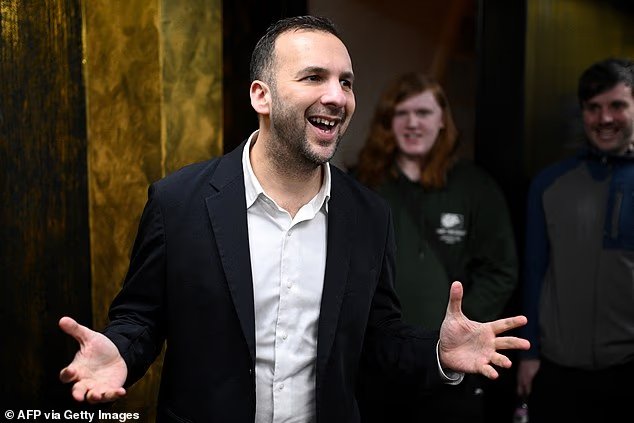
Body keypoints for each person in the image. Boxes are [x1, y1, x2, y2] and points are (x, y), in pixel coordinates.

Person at [58, 16, 529, 422]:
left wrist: (436, 353)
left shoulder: (368, 215)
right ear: (261, 96)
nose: (337, 97)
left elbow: (379, 337)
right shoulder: (179, 201)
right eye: (314, 77)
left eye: (346, 82)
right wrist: (121, 352)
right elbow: (141, 317)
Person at [353, 72, 518, 422]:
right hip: (379, 364)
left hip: (452, 362)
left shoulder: (475, 187)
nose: (413, 123)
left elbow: (500, 269)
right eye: (401, 113)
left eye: (423, 112)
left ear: (443, 120)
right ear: (388, 122)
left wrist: (462, 325)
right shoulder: (363, 185)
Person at [516, 57, 634, 422]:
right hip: (558, 372)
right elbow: (534, 271)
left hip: (628, 370)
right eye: (593, 108)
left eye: (617, 105)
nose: (605, 118)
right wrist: (529, 353)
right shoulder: (550, 183)